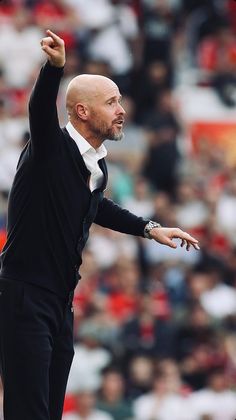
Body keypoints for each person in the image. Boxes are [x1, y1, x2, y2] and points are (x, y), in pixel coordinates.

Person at [0, 30, 199, 420]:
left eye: (120, 99)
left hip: (60, 301)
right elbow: (40, 110)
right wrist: (54, 68)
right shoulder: (49, 148)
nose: (121, 108)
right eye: (111, 102)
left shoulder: (98, 164)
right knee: (29, 412)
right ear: (82, 112)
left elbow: (98, 207)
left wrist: (149, 228)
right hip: (24, 296)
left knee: (49, 412)